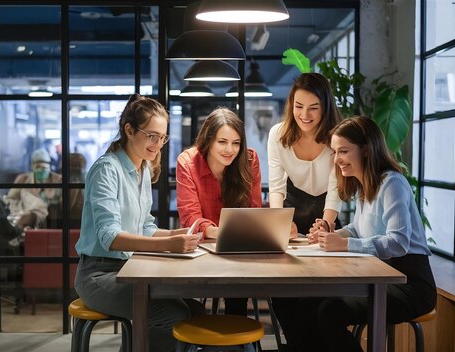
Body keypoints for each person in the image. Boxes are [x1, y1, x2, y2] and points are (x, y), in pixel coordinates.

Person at [282, 116, 437, 352]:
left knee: (328, 311)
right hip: (378, 277)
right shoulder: (365, 185)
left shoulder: (392, 183)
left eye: (343, 151)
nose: (336, 159)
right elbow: (358, 229)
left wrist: (343, 245)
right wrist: (328, 236)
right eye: (334, 152)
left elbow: (398, 243)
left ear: (366, 150)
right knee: (304, 305)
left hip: (410, 284)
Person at [74, 94, 200, 352]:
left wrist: (175, 234)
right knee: (172, 314)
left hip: (129, 270)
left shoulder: (142, 168)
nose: (158, 144)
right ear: (129, 130)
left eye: (162, 137)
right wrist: (168, 245)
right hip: (98, 275)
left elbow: (144, 227)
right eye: (151, 135)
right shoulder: (106, 169)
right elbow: (110, 237)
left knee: (194, 308)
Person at [176, 108, 262, 316]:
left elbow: (254, 211)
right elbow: (190, 219)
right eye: (222, 142)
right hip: (201, 250)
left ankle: (237, 344)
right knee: (189, 301)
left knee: (238, 289)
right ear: (208, 140)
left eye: (236, 143)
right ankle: (203, 339)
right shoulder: (188, 162)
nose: (230, 150)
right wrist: (222, 231)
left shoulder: (249, 160)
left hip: (238, 249)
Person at [267, 72, 342, 236]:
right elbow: (276, 187)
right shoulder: (277, 135)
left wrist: (326, 225)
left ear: (325, 107)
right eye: (298, 106)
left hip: (327, 212)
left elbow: (336, 189)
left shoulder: (338, 137)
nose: (304, 115)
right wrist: (279, 221)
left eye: (313, 108)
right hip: (291, 210)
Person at [5, 148, 61, 229]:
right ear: (32, 166)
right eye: (38, 167)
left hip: (47, 218)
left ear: (49, 167)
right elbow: (11, 199)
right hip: (24, 213)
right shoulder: (23, 179)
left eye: (44, 168)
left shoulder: (58, 180)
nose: (41, 170)